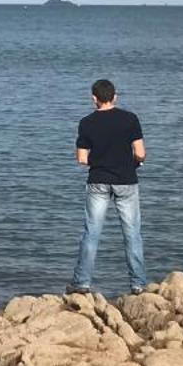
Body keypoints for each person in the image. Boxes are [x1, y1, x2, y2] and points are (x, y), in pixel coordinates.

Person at [69, 78, 147, 295]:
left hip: (98, 181)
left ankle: (81, 283)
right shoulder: (130, 119)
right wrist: (133, 163)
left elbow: (82, 159)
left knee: (91, 233)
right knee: (132, 234)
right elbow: (140, 153)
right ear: (115, 96)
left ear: (94, 99)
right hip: (127, 181)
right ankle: (138, 284)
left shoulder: (86, 123)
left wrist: (100, 159)